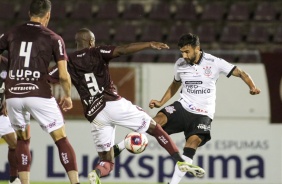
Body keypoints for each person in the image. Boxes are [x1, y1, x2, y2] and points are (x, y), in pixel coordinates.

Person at [48, 28, 205, 184]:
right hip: (111, 103)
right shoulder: (97, 51)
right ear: (91, 42)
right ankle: (179, 160)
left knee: (107, 162)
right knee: (154, 128)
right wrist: (148, 44)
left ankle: (96, 172)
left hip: (94, 114)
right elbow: (123, 50)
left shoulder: (66, 62)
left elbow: (47, 77)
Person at [146, 33, 261, 184]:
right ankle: (122, 147)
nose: (184, 55)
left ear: (197, 49)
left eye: (187, 51)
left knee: (193, 142)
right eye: (181, 51)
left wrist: (252, 86)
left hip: (203, 113)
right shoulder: (180, 64)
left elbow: (240, 72)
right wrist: (161, 102)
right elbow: (175, 84)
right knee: (153, 123)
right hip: (183, 106)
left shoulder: (214, 62)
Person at [0, 0, 80, 184]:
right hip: (38, 93)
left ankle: (23, 182)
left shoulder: (12, 32)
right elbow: (63, 74)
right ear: (48, 15)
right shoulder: (53, 38)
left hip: (13, 94)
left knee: (22, 139)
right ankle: (75, 182)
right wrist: (67, 95)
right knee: (60, 138)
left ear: (29, 13)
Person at [0, 56, 20, 184]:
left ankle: (13, 178)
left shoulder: (7, 64)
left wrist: (6, 102)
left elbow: (12, 84)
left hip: (1, 114)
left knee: (14, 143)